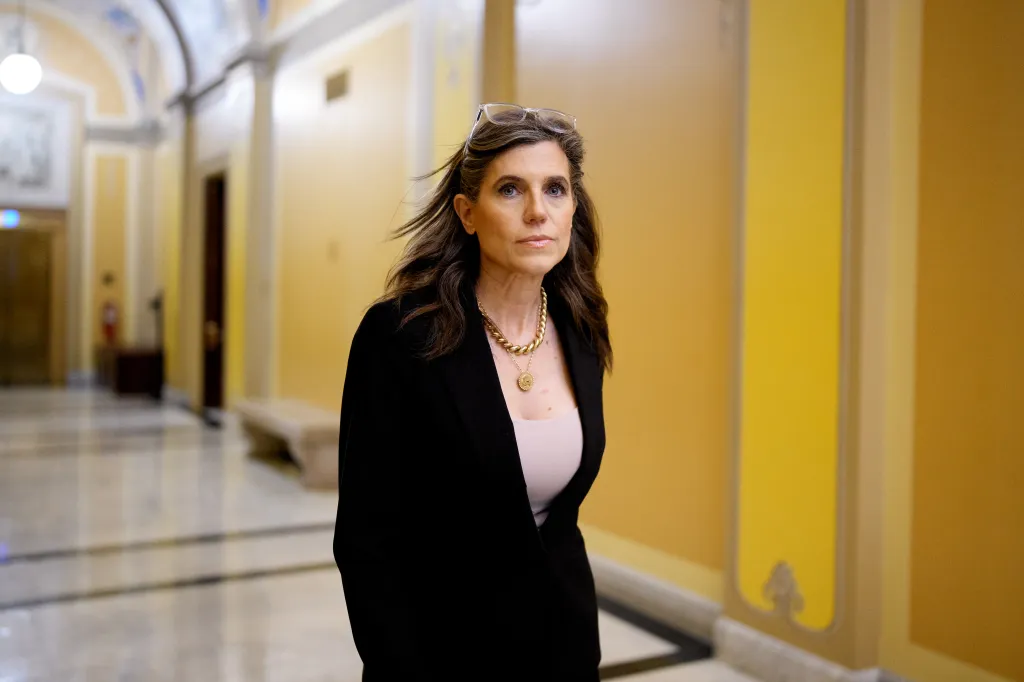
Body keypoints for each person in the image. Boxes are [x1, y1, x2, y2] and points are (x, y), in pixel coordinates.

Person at [334, 103, 612, 681]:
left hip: (562, 649)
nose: (538, 211)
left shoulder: (581, 326)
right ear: (467, 212)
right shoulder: (401, 336)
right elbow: (367, 539)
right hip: (440, 654)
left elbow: (557, 523)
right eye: (511, 190)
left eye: (555, 189)